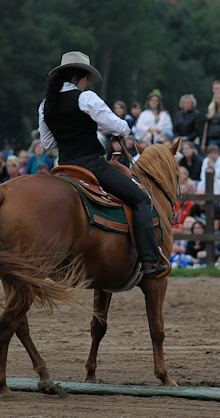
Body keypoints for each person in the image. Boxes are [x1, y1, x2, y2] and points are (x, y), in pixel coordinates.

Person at [39, 51, 166, 277]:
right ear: (81, 77)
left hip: (64, 167)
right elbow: (119, 127)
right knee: (140, 199)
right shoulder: (86, 98)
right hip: (91, 165)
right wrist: (119, 129)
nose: (88, 83)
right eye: (87, 78)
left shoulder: (46, 104)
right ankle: (149, 259)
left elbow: (47, 142)